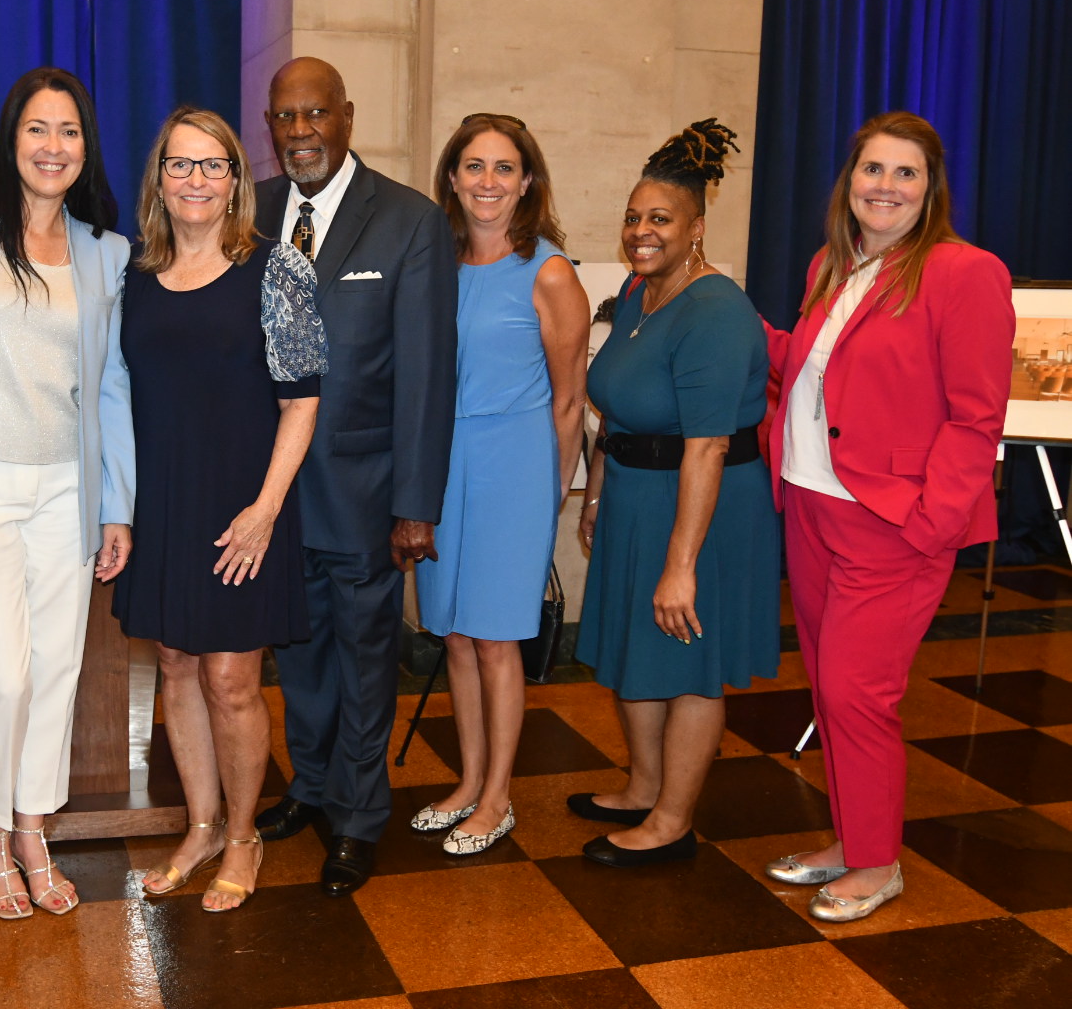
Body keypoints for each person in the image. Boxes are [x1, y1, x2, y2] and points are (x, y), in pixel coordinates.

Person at [762, 111, 1012, 920]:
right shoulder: (831, 267)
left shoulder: (962, 272)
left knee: (857, 692)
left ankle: (877, 863)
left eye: (906, 174)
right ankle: (849, 836)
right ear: (850, 181)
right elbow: (813, 373)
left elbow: (977, 418)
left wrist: (931, 522)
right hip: (810, 504)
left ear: (930, 188)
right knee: (831, 691)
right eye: (874, 170)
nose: (887, 187)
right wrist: (730, 323)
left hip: (891, 521)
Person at [0, 67, 133, 920]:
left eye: (69, 131)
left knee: (59, 667)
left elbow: (112, 382)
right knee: (2, 675)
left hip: (66, 491)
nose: (54, 146)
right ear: (12, 140)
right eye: (37, 129)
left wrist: (117, 502)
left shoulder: (105, 253)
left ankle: (34, 830)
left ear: (87, 147)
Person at [253, 57, 458, 895]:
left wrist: (415, 505)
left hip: (367, 493)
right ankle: (310, 785)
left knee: (368, 656)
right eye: (284, 118)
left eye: (315, 115)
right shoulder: (251, 211)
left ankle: (361, 815)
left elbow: (425, 373)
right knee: (297, 653)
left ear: (347, 117)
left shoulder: (410, 222)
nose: (299, 133)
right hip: (274, 493)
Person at [115, 107, 326, 911]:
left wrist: (266, 511)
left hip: (246, 501)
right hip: (165, 498)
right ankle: (200, 826)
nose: (196, 180)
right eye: (180, 165)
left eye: (213, 166)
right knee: (174, 663)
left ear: (236, 179)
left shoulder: (277, 269)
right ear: (158, 179)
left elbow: (303, 404)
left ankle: (244, 835)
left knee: (233, 678)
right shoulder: (135, 275)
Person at [572, 120, 780, 868]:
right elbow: (618, 406)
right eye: (633, 216)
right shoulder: (638, 293)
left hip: (702, 509)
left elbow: (709, 444)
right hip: (634, 495)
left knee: (686, 661)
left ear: (696, 227)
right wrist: (596, 492)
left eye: (659, 219)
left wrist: (681, 563)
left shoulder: (716, 309)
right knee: (638, 651)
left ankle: (672, 819)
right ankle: (643, 787)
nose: (640, 231)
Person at [410, 115, 589, 854]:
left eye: (504, 168)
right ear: (451, 178)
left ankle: (499, 797)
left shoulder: (548, 272)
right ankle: (468, 782)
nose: (488, 181)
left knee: (495, 642)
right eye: (474, 166)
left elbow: (570, 399)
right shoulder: (435, 263)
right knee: (453, 632)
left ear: (527, 182)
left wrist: (547, 498)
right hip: (443, 463)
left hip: (515, 467)